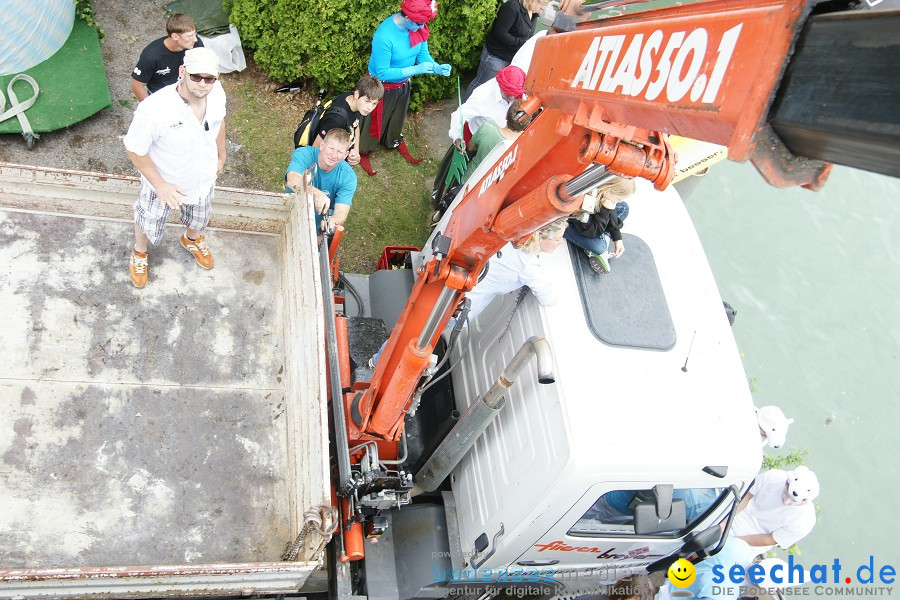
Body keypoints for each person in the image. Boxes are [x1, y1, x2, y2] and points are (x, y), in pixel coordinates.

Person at [369, 219, 567, 367]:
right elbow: (548, 297)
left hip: (446, 291)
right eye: (558, 238)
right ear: (541, 237)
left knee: (411, 329)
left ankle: (379, 361)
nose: (560, 243)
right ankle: (378, 364)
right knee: (414, 338)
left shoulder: (511, 238)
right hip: (456, 307)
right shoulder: (528, 265)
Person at [124, 47, 226, 289]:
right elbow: (134, 148)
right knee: (148, 220)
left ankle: (191, 239)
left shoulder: (217, 94)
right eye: (196, 77)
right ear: (182, 71)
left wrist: (221, 156)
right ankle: (139, 253)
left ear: (217, 77)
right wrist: (160, 185)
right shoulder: (155, 108)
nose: (203, 83)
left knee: (200, 217)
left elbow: (219, 121)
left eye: (209, 78)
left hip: (202, 177)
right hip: (164, 182)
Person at [359, 0, 452, 176]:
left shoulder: (417, 26)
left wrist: (436, 67)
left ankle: (390, 140)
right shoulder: (384, 35)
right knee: (373, 123)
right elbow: (382, 73)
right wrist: (416, 70)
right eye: (419, 23)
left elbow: (423, 54)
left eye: (425, 23)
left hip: (402, 86)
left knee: (395, 118)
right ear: (407, 17)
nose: (422, 27)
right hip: (378, 88)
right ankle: (364, 148)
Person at [464, 0, 547, 100]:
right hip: (496, 57)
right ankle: (464, 110)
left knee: (492, 90)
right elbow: (500, 32)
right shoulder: (512, 7)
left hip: (510, 58)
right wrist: (521, 44)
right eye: (541, 8)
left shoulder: (533, 14)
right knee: (480, 85)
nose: (541, 11)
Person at [730, 466, 819, 553]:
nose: (787, 501)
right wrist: (725, 521)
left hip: (751, 543)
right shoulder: (774, 476)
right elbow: (747, 495)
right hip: (736, 513)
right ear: (786, 482)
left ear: (805, 500)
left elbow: (770, 539)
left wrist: (734, 541)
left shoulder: (805, 522)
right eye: (786, 493)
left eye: (793, 501)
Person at [285, 128, 358, 233]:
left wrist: (333, 221)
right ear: (322, 145)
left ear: (345, 155)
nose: (333, 155)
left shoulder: (349, 177)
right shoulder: (304, 153)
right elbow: (292, 180)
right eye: (331, 148)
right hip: (291, 214)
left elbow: (341, 211)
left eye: (339, 152)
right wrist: (315, 193)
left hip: (315, 229)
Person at [564, 176, 636, 274]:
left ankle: (604, 237)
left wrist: (617, 237)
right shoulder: (586, 200)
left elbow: (613, 211)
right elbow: (591, 232)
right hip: (573, 224)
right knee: (600, 247)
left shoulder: (603, 193)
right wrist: (605, 211)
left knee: (623, 207)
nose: (619, 201)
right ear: (608, 189)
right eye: (618, 198)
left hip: (593, 222)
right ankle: (600, 245)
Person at [312, 75, 384, 167]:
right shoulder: (336, 120)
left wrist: (355, 150)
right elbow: (315, 148)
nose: (370, 108)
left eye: (374, 104)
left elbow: (355, 125)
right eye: (367, 101)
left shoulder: (356, 103)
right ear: (357, 94)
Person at [656, 537, 760, 600]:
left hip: (676, 569)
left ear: (760, 562)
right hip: (669, 596)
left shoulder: (741, 547)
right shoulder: (725, 595)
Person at [130, 13, 205, 101]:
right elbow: (136, 86)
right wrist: (150, 108)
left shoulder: (196, 45)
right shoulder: (151, 56)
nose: (195, 39)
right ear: (175, 36)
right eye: (189, 36)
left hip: (185, 91)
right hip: (161, 96)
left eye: (194, 34)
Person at [449, 65, 526, 149]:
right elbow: (460, 114)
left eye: (515, 94)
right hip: (475, 141)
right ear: (500, 85)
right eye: (508, 93)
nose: (512, 97)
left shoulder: (520, 88)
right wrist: (457, 137)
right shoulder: (482, 96)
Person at [459, 99, 532, 183]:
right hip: (490, 189)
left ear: (506, 116)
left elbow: (470, 147)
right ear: (526, 125)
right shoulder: (522, 146)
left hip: (469, 178)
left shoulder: (488, 127)